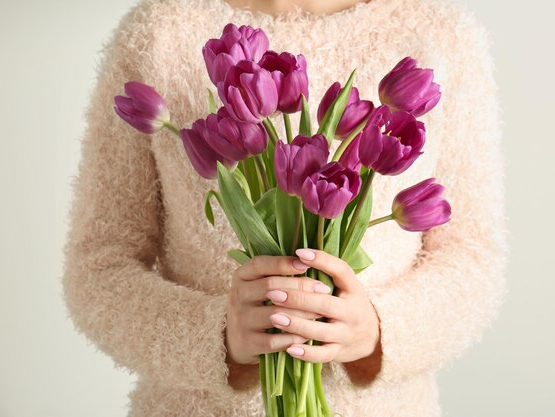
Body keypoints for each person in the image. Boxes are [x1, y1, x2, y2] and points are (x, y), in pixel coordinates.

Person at [61, 0, 509, 415]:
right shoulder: (160, 32)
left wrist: (377, 330)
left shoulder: (439, 34)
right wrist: (216, 337)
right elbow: (99, 267)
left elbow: (472, 259)